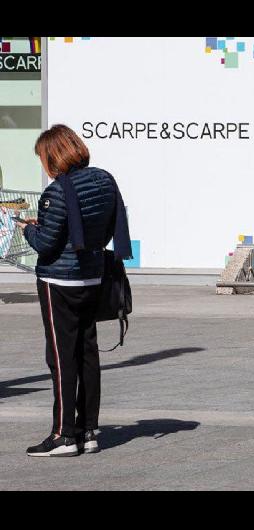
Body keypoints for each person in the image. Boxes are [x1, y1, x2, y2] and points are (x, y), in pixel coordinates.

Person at [19, 124, 131, 457]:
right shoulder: (104, 180)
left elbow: (47, 244)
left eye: (43, 157)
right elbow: (105, 226)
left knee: (60, 356)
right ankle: (88, 430)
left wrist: (28, 230)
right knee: (87, 354)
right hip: (93, 277)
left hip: (59, 282)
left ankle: (63, 435)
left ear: (53, 155)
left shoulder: (57, 192)